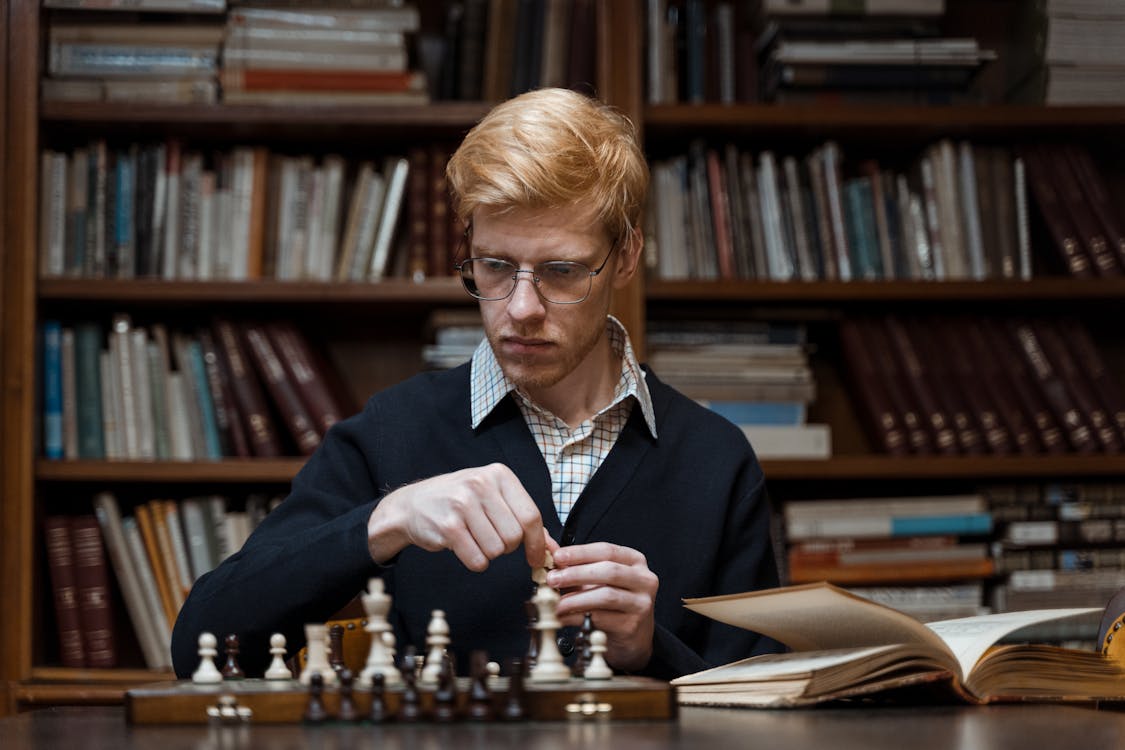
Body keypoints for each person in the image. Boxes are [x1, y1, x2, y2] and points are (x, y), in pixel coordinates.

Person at [171, 87, 780, 680]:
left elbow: (771, 701)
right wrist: (385, 521)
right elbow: (201, 639)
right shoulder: (393, 432)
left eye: (560, 271)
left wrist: (651, 652)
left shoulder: (717, 460)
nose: (520, 308)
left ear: (624, 256)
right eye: (493, 266)